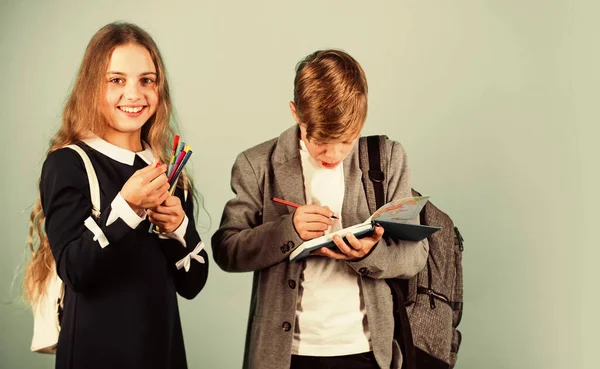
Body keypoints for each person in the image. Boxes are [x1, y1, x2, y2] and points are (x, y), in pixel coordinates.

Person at [211, 49, 428, 369]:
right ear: (296, 113)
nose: (334, 154)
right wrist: (289, 230)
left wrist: (367, 254)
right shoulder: (256, 164)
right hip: (286, 354)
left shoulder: (386, 158)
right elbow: (226, 250)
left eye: (346, 141)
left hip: (366, 351)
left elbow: (415, 256)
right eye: (322, 143)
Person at [24, 22, 208, 369]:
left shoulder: (167, 170)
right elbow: (75, 270)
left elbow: (192, 283)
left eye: (146, 80)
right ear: (93, 86)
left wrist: (179, 228)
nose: (134, 95)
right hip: (96, 355)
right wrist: (127, 205)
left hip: (163, 354)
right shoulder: (69, 164)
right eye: (117, 80)